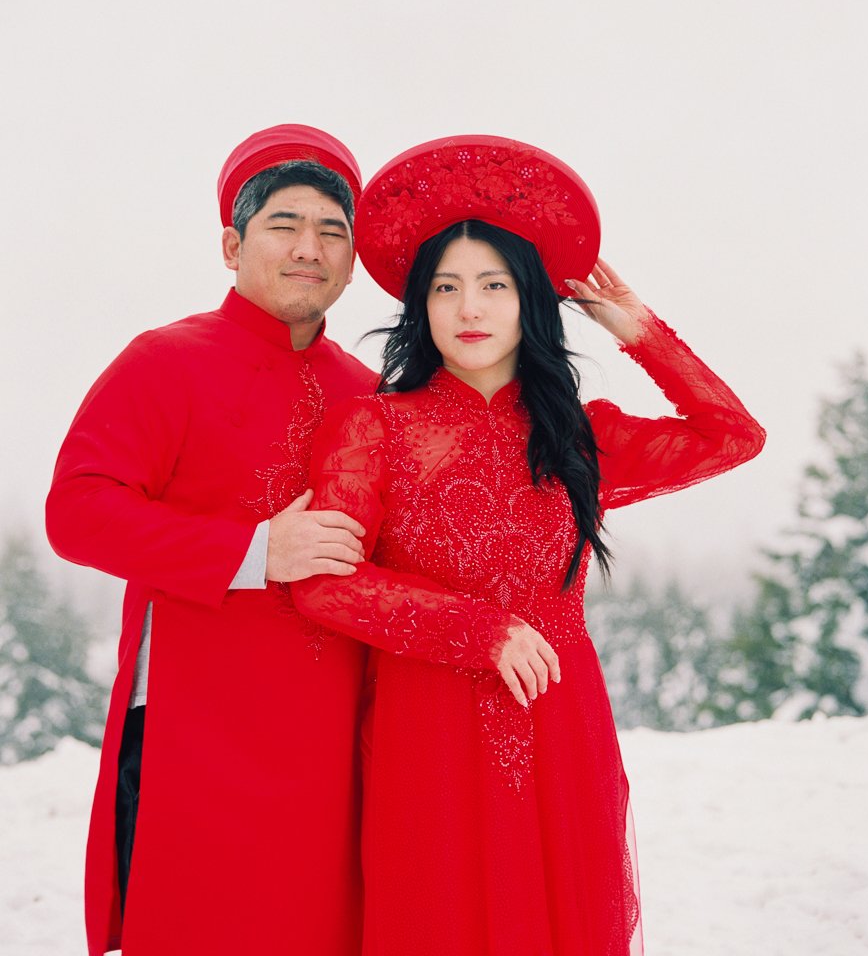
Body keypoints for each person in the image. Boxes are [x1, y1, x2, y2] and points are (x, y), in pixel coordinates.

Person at [285, 135, 767, 956]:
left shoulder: (575, 438)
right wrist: (481, 629)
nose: (469, 309)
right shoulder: (372, 427)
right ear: (419, 306)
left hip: (560, 727)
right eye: (445, 288)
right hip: (425, 733)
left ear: (529, 302)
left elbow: (733, 436)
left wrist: (637, 328)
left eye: (493, 286)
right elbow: (326, 585)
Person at [45, 125, 379, 956]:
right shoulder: (165, 361)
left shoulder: (371, 394)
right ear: (232, 245)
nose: (310, 249)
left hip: (338, 740)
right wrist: (255, 551)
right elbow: (78, 511)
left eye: (333, 231)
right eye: (284, 225)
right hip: (198, 741)